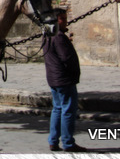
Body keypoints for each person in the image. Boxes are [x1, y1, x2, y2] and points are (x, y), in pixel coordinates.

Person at [42, 9, 86, 152]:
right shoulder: (59, 37)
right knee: (67, 110)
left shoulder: (48, 35)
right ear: (55, 20)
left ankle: (53, 141)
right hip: (63, 79)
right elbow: (66, 58)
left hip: (54, 78)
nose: (65, 21)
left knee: (57, 109)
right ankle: (68, 142)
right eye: (62, 18)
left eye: (65, 18)